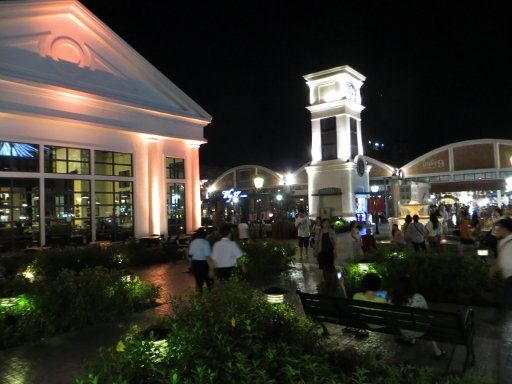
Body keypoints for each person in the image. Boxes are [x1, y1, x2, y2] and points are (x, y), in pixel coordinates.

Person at [388, 276, 445, 358]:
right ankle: (437, 351)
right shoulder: (418, 297)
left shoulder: (392, 300)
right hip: (420, 330)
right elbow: (426, 314)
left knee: (409, 320)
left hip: (403, 330)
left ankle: (410, 340)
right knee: (428, 321)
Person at [490, 218, 512, 323]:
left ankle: (498, 318)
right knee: (506, 297)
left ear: (505, 229)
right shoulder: (502, 242)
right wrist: (493, 269)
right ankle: (499, 317)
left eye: (499, 228)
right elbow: (500, 258)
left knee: (506, 297)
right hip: (508, 275)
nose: (497, 230)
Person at [188, 228, 212, 292]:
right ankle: (211, 293)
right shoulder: (205, 243)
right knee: (208, 280)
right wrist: (211, 268)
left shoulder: (193, 242)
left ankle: (199, 297)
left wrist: (190, 265)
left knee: (198, 281)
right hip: (203, 264)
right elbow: (207, 256)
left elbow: (190, 255)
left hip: (195, 263)